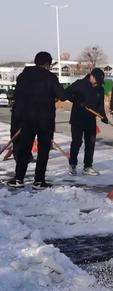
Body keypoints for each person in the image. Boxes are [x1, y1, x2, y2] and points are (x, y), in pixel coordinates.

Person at [7, 51, 67, 189]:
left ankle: (18, 179)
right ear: (47, 64)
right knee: (43, 150)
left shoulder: (23, 76)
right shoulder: (50, 77)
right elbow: (62, 95)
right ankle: (39, 181)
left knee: (24, 149)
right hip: (45, 120)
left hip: (27, 119)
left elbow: (18, 96)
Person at [66, 68, 107, 176]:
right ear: (91, 76)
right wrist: (77, 100)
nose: (98, 83)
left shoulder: (100, 89)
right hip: (77, 119)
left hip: (90, 120)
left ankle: (88, 166)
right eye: (96, 80)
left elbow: (100, 106)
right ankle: (72, 164)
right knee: (77, 142)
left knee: (91, 143)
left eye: (99, 82)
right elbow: (66, 93)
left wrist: (103, 116)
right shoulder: (80, 84)